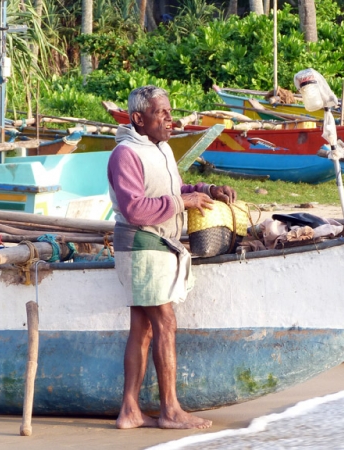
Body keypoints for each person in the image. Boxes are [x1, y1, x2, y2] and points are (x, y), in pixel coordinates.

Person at [107, 85, 237, 430]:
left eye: (169, 111)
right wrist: (183, 203)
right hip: (141, 244)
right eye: (160, 113)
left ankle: (130, 411)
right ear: (138, 119)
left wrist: (206, 191)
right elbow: (135, 208)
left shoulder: (159, 148)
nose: (170, 119)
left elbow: (170, 191)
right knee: (164, 322)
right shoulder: (125, 154)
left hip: (158, 244)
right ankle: (170, 410)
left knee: (143, 327)